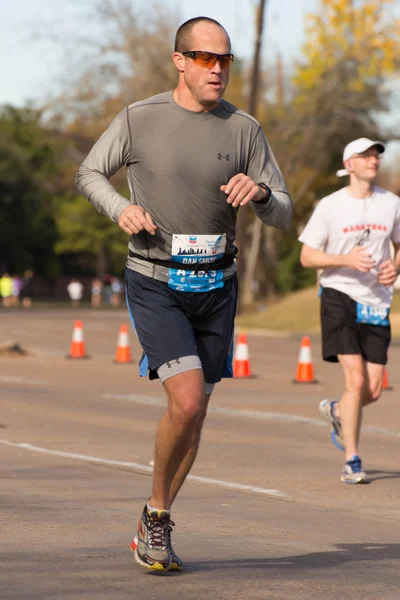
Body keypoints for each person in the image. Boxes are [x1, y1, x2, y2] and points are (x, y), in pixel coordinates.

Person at [76, 16, 292, 572]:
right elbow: (90, 173)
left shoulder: (244, 129)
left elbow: (285, 211)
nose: (217, 69)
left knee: (195, 414)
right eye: (204, 58)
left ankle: (155, 516)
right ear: (180, 61)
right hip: (156, 280)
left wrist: (262, 191)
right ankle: (157, 518)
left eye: (225, 60)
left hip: (218, 285)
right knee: (188, 400)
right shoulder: (138, 119)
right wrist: (120, 207)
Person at [299, 137, 400, 484]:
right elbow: (307, 256)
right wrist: (345, 259)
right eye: (366, 155)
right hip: (338, 295)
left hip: (377, 301)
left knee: (371, 390)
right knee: (354, 380)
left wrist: (396, 267)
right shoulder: (330, 206)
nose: (374, 160)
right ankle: (352, 460)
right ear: (349, 163)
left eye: (377, 155)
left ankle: (339, 410)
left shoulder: (392, 204)